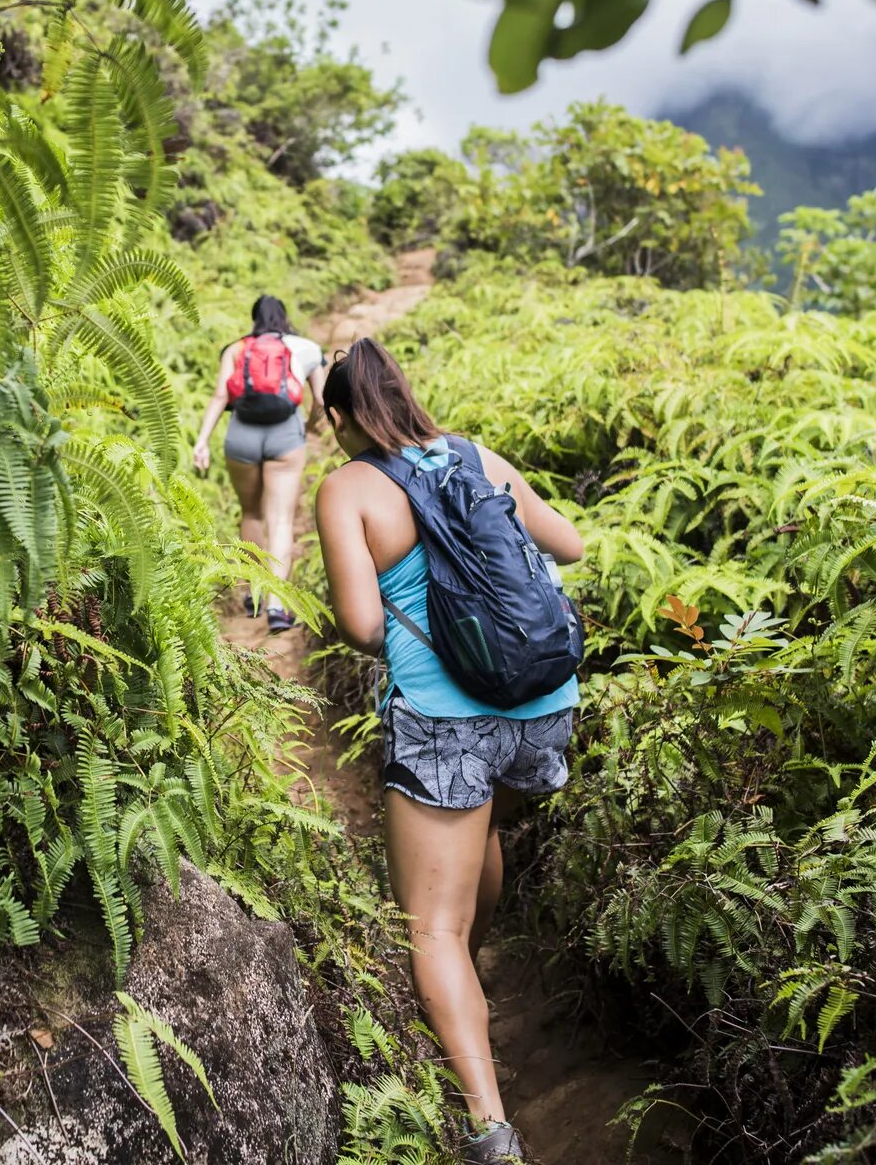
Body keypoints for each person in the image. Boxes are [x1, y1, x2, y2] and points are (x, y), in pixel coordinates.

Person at [312, 337, 585, 1165]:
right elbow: (567, 544)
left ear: (335, 417)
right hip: (542, 702)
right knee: (481, 834)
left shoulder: (346, 489)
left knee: (429, 925)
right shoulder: (475, 453)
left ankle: (487, 1130)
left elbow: (362, 628)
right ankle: (474, 969)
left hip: (443, 720)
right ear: (403, 392)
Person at [191, 296, 327, 632]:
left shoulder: (236, 348)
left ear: (254, 320)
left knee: (251, 513)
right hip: (285, 436)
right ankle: (278, 607)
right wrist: (308, 428)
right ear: (285, 317)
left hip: (241, 436)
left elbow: (221, 396)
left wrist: (202, 441)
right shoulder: (307, 348)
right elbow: (321, 402)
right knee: (280, 520)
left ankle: (253, 594)